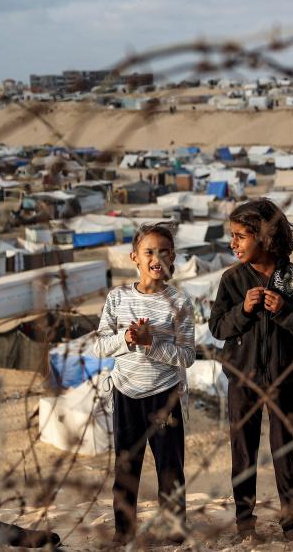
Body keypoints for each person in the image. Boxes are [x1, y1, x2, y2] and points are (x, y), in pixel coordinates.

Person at [209, 199, 293, 541]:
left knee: (283, 449)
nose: (234, 243)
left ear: (265, 236)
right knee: (243, 449)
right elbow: (217, 327)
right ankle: (245, 520)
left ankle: (291, 521)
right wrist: (242, 311)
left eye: (241, 236)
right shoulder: (232, 279)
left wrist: (285, 310)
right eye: (233, 236)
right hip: (242, 379)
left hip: (282, 377)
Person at [93, 223, 195, 545]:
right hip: (126, 394)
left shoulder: (180, 303)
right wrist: (126, 338)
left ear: (173, 257)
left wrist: (151, 343)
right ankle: (124, 531)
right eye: (149, 251)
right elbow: (99, 345)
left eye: (163, 251)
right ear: (134, 257)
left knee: (169, 466)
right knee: (126, 466)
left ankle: (174, 528)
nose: (156, 257)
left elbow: (188, 356)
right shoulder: (118, 298)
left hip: (164, 397)